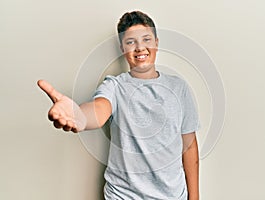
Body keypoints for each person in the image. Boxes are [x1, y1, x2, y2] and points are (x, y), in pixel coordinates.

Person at [38, 11, 200, 200]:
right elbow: (99, 109)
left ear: (156, 42)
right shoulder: (114, 86)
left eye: (146, 39)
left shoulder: (178, 88)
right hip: (123, 196)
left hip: (172, 196)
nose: (140, 48)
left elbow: (189, 147)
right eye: (131, 42)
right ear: (122, 48)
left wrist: (194, 197)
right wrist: (80, 117)